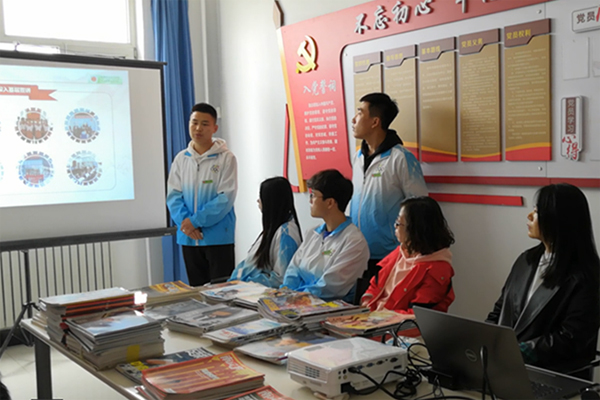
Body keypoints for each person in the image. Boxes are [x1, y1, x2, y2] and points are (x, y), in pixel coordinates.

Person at [486, 184, 600, 379]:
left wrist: (516, 352)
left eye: (537, 211)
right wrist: (483, 339)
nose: (530, 216)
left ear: (558, 220)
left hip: (551, 375)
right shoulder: (526, 260)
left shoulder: (586, 276)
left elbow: (571, 339)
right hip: (506, 367)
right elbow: (500, 310)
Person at [349, 93, 428, 298]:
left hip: (390, 256)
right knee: (360, 309)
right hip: (357, 252)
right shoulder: (358, 157)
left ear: (375, 121)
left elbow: (420, 210)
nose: (354, 120)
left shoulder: (401, 158)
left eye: (360, 113)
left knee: (384, 311)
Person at [167, 103, 237, 286]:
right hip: (189, 238)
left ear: (214, 128)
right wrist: (187, 224)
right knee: (197, 292)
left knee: (222, 293)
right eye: (194, 122)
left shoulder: (226, 158)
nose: (198, 128)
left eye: (205, 124)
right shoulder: (181, 159)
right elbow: (173, 196)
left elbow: (225, 197)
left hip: (218, 238)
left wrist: (195, 221)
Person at [282, 169, 369, 302]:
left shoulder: (354, 241)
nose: (310, 200)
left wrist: (297, 297)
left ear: (330, 203)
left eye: (313, 195)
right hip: (299, 302)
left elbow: (330, 287)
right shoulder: (312, 233)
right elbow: (293, 270)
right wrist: (284, 293)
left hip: (330, 307)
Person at [360, 196, 455, 314]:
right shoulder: (402, 251)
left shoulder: (438, 269)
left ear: (416, 229)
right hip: (373, 318)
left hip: (396, 324)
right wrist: (366, 307)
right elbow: (375, 286)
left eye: (399, 223)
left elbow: (418, 314)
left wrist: (378, 318)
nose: (395, 226)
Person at [229, 177, 302, 288]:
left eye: (261, 197)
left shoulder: (286, 233)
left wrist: (247, 283)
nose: (258, 201)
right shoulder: (273, 229)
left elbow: (281, 279)